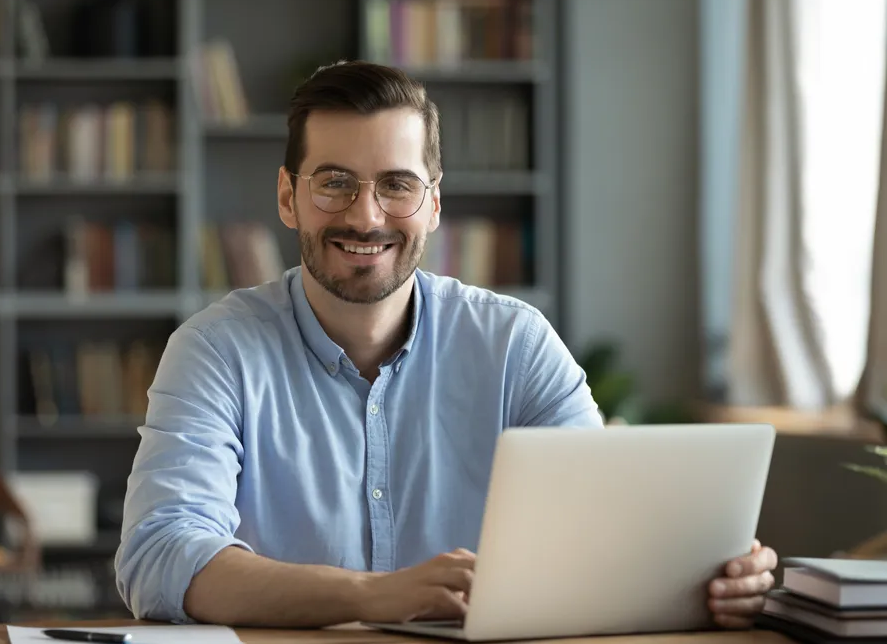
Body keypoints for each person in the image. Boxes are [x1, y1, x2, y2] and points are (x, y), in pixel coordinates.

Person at [114, 60, 777, 630]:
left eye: (397, 184)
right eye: (334, 182)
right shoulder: (213, 350)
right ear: (289, 197)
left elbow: (606, 533)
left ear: (433, 204)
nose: (365, 215)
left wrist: (716, 571)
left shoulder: (515, 344)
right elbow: (161, 555)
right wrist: (373, 595)